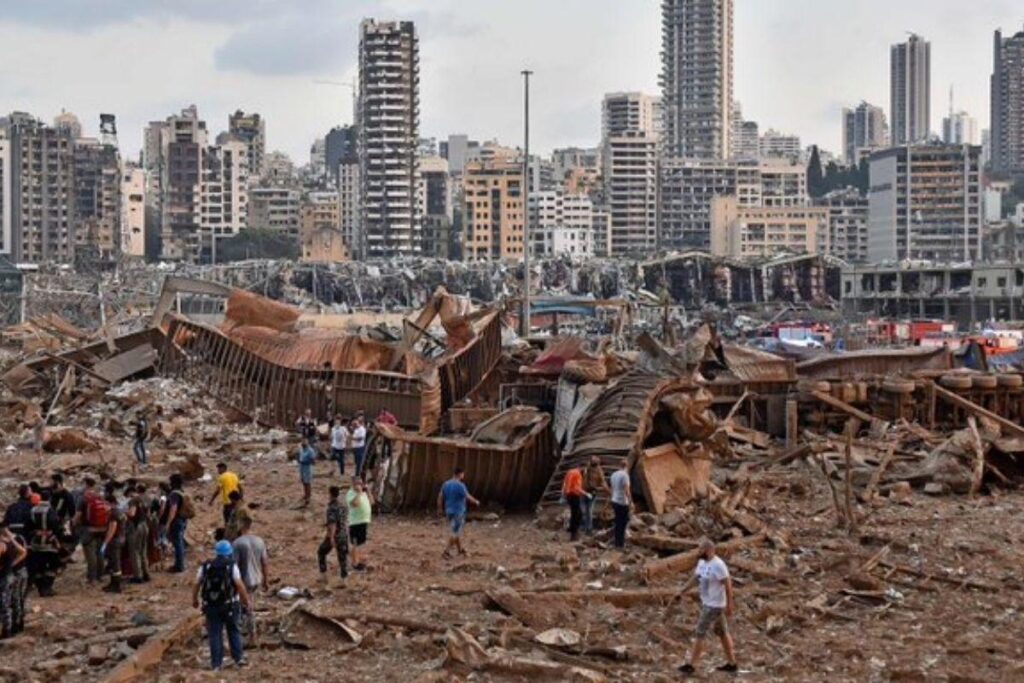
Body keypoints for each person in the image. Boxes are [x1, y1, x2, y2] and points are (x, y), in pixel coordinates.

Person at [677, 538, 738, 675]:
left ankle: (691, 665)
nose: (699, 552)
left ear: (709, 550)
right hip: (708, 603)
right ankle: (732, 663)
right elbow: (696, 578)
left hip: (714, 606)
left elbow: (728, 586)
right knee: (722, 633)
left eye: (701, 550)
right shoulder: (702, 562)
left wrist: (730, 605)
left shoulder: (719, 565)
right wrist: (683, 590)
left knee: (700, 633)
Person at [192, 540, 252, 671]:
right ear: (229, 552)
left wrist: (194, 600)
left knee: (214, 634)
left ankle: (216, 664)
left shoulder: (206, 566)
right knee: (233, 630)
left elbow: (197, 583)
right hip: (230, 604)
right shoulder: (231, 566)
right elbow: (240, 585)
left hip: (211, 606)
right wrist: (246, 601)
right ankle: (238, 658)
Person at [231, 518, 268, 645]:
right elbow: (264, 563)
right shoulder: (260, 541)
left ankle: (252, 636)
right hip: (257, 578)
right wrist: (266, 580)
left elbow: (233, 566)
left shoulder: (237, 543)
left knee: (247, 607)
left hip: (243, 580)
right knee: (250, 605)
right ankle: (248, 631)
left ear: (241, 526)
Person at [437, 467, 480, 559]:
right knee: (455, 532)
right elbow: (467, 496)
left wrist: (440, 509)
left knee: (456, 531)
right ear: (460, 474)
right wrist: (476, 501)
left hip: (448, 511)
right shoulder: (460, 485)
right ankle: (446, 552)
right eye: (463, 474)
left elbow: (440, 497)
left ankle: (461, 550)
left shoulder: (446, 484)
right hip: (458, 511)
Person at [74, 478, 108, 583]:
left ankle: (92, 578)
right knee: (100, 552)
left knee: (90, 554)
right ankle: (101, 575)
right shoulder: (100, 496)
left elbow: (78, 516)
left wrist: (74, 525)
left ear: (86, 484)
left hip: (88, 529)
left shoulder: (83, 498)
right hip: (102, 528)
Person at [27, 491, 61, 596]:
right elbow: (56, 526)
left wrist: (36, 532)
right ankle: (47, 587)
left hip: (36, 542)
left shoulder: (33, 510)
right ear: (49, 498)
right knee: (52, 566)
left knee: (39, 567)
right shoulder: (51, 511)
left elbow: (28, 526)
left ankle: (40, 588)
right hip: (49, 543)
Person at [0, 524, 29, 639]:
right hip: (11, 574)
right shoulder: (14, 540)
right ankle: (15, 626)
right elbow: (23, 552)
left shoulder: (3, 543)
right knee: (14, 600)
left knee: (5, 603)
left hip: (5, 576)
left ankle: (7, 631)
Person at [317, 486, 348, 581]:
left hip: (335, 535)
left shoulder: (331, 508)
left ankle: (323, 575)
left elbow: (333, 523)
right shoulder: (343, 506)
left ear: (330, 494)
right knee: (342, 558)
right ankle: (344, 579)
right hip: (343, 533)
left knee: (321, 552)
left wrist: (331, 537)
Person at [163, 474, 193, 573]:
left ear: (173, 482)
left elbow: (173, 509)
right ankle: (180, 563)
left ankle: (179, 566)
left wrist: (168, 523)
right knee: (179, 542)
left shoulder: (174, 494)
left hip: (176, 521)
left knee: (177, 543)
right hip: (182, 520)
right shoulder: (182, 492)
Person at [101, 487, 126, 593]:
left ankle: (116, 585)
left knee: (115, 563)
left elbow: (112, 529)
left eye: (105, 504)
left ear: (110, 503)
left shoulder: (113, 514)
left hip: (114, 541)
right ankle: (113, 583)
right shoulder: (121, 511)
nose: (103, 506)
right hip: (121, 538)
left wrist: (105, 543)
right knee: (114, 562)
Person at [345, 477, 372, 570]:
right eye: (357, 483)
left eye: (361, 483)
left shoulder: (363, 493)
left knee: (360, 543)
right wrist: (359, 493)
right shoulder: (350, 493)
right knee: (354, 543)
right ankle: (354, 563)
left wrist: (368, 491)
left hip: (363, 521)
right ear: (353, 484)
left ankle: (358, 560)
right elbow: (354, 504)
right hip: (355, 522)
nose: (359, 485)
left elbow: (372, 502)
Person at [126, 492, 150, 584]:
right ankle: (146, 574)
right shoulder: (143, 500)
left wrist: (124, 511)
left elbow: (132, 513)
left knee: (135, 552)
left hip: (136, 527)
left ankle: (138, 576)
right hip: (144, 525)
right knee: (143, 551)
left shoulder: (133, 501)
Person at [582, 457, 609, 535]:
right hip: (590, 492)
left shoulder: (588, 469)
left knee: (586, 510)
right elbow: (603, 483)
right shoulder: (597, 471)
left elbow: (602, 483)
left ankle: (586, 527)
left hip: (586, 491)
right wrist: (607, 491)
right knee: (588, 510)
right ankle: (588, 528)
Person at [609, 458, 632, 549]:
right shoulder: (625, 475)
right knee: (623, 523)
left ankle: (616, 542)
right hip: (622, 502)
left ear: (619, 465)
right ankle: (620, 544)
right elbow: (627, 490)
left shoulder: (613, 474)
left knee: (618, 522)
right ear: (626, 466)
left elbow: (612, 488)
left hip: (614, 501)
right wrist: (631, 501)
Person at [561, 467, 585, 541]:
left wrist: (564, 494)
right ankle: (574, 532)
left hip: (570, 495)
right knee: (577, 513)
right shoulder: (577, 474)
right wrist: (585, 493)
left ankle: (573, 530)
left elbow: (565, 483)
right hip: (574, 495)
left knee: (576, 513)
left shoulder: (570, 472)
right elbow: (576, 487)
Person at [297, 438, 316, 508]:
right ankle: (305, 494)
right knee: (303, 481)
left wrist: (306, 462)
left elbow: (313, 462)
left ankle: (308, 496)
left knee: (307, 482)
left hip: (307, 468)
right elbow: (299, 456)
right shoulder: (301, 449)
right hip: (301, 467)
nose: (302, 444)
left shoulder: (310, 451)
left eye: (304, 443)